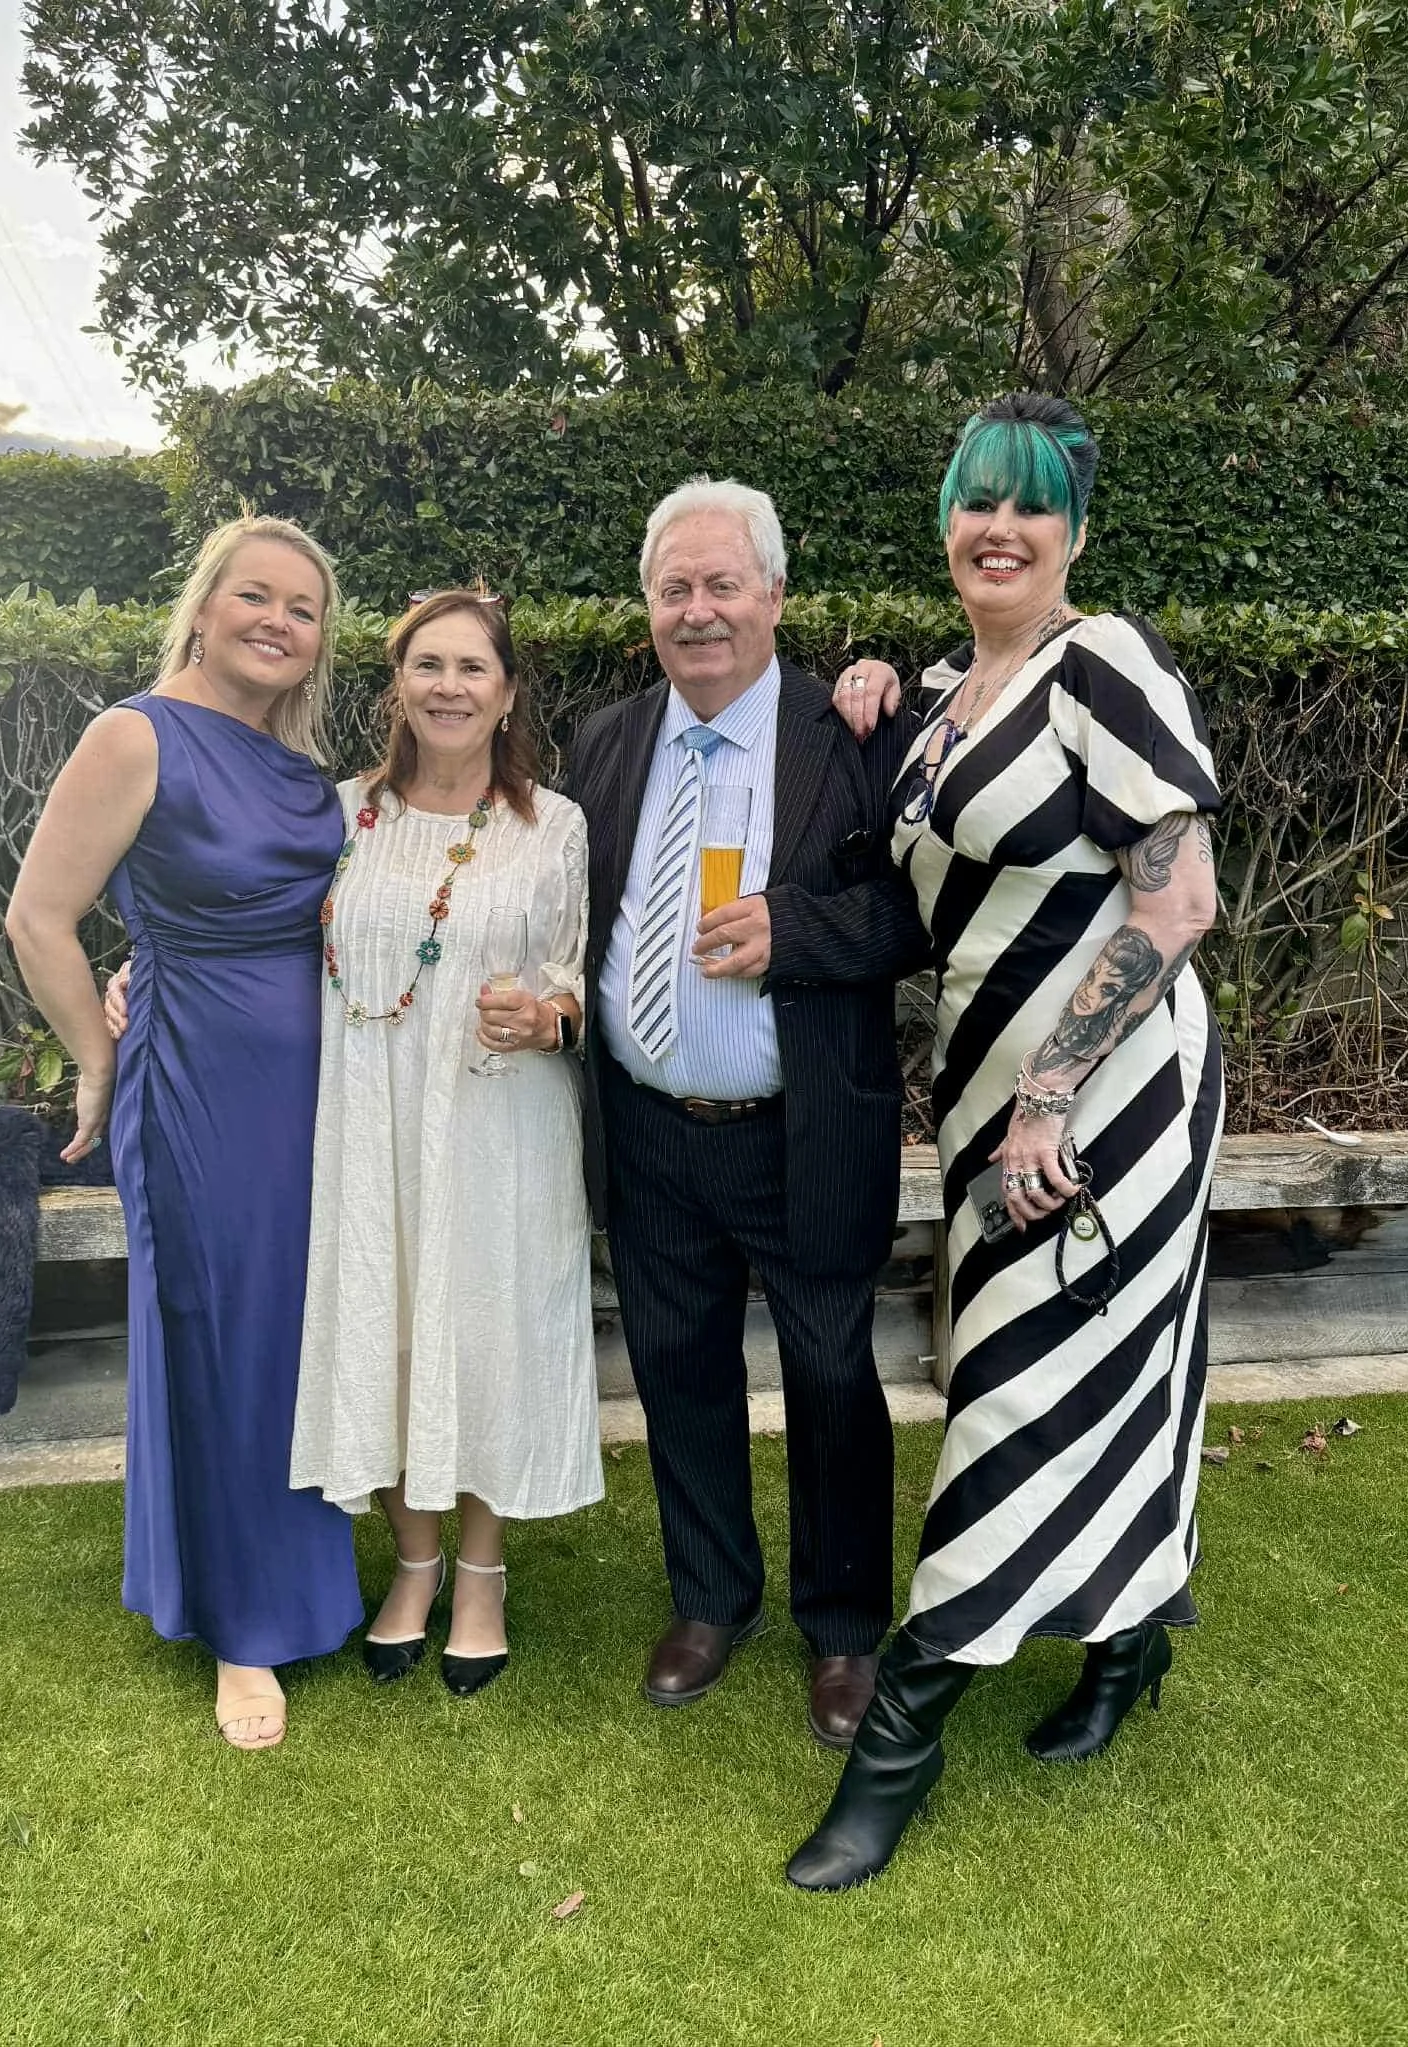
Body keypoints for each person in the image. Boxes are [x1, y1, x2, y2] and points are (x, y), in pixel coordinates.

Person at [786, 393, 1222, 1890]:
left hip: (1104, 1093)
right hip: (982, 1095)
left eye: (1033, 505)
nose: (1000, 526)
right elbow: (931, 896)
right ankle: (1127, 1642)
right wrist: (873, 709)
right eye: (978, 497)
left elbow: (1177, 901)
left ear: (1076, 532)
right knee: (1067, 1370)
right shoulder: (944, 702)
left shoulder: (1106, 663)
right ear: (947, 521)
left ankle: (898, 1743)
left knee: (1020, 1394)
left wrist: (1053, 1095)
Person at [563, 478, 930, 1748]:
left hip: (801, 1125)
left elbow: (910, 917)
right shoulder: (605, 740)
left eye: (725, 585)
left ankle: (842, 1628)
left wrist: (796, 930)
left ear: (775, 597)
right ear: (648, 606)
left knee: (833, 1372)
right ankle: (712, 1596)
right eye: (677, 588)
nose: (700, 610)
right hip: (650, 1124)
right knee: (676, 1366)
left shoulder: (851, 733)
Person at [6, 516, 364, 1751]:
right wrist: (101, 1059)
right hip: (199, 1079)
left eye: (303, 607)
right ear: (204, 607)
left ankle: (310, 1580)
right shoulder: (134, 735)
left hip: (316, 1088)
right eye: (254, 595)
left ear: (319, 640)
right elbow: (39, 918)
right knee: (219, 1338)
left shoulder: (299, 766)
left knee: (291, 1334)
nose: (278, 619)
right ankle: (239, 1626)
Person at [288, 593, 601, 1695]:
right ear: (399, 686)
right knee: (385, 1325)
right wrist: (148, 971)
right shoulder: (342, 815)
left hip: (496, 1118)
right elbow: (254, 930)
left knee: (481, 1336)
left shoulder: (549, 826)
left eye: (474, 666)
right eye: (428, 663)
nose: (450, 685)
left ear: (509, 691)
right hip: (368, 1117)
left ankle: (480, 1572)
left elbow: (575, 978)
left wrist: (551, 1014)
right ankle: (410, 1566)